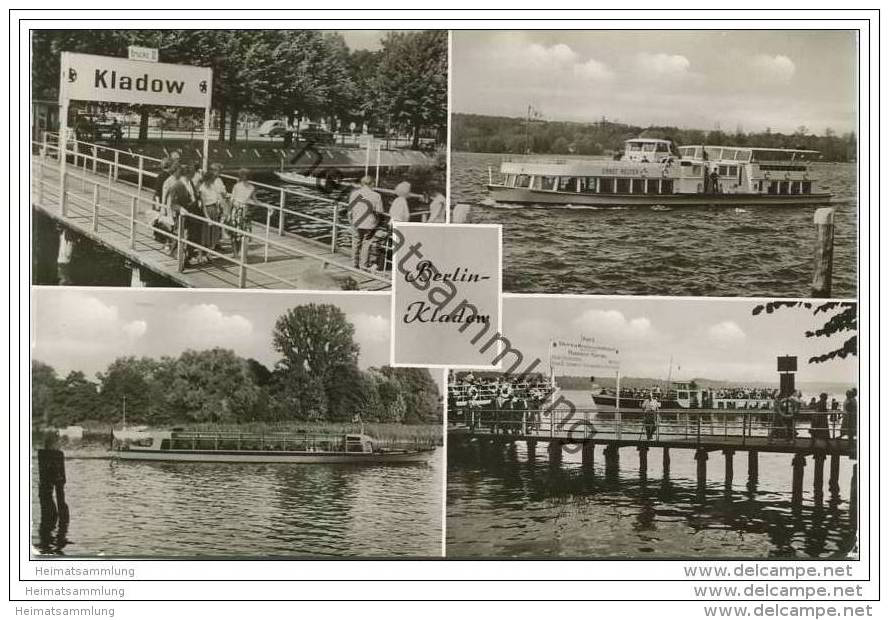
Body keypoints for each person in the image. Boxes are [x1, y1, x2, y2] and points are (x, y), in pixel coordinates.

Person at [169, 163, 202, 269]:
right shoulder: (177, 185)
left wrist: (198, 199)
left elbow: (193, 196)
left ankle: (187, 257)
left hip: (192, 214)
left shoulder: (190, 183)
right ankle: (180, 260)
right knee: (182, 237)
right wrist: (181, 209)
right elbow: (173, 204)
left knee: (192, 237)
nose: (193, 176)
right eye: (192, 174)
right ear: (187, 174)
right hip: (183, 216)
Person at [348, 176, 383, 271]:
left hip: (356, 222)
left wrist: (351, 221)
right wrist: (377, 223)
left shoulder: (354, 194)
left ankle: (354, 264)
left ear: (362, 184)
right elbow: (379, 212)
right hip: (370, 223)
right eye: (373, 183)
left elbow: (350, 211)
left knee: (355, 243)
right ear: (371, 184)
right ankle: (364, 266)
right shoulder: (376, 196)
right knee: (366, 244)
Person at [37, 430, 69, 535]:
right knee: (56, 511)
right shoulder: (57, 454)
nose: (60, 444)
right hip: (50, 484)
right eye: (58, 442)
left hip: (45, 486)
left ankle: (47, 536)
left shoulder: (42, 455)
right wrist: (60, 480)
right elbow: (61, 478)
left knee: (49, 510)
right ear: (53, 444)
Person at [198, 163, 229, 253]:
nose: (220, 173)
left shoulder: (218, 180)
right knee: (206, 230)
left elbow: (222, 192)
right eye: (219, 171)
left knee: (215, 228)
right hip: (208, 207)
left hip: (217, 205)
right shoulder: (205, 183)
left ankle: (215, 244)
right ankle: (206, 249)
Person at [228, 168, 255, 257]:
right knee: (236, 233)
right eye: (243, 175)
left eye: (245, 175)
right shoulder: (237, 186)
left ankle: (241, 254)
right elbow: (232, 200)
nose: (244, 177)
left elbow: (254, 200)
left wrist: (267, 206)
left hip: (243, 211)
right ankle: (237, 253)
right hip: (238, 211)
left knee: (243, 233)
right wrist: (228, 213)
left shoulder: (251, 187)